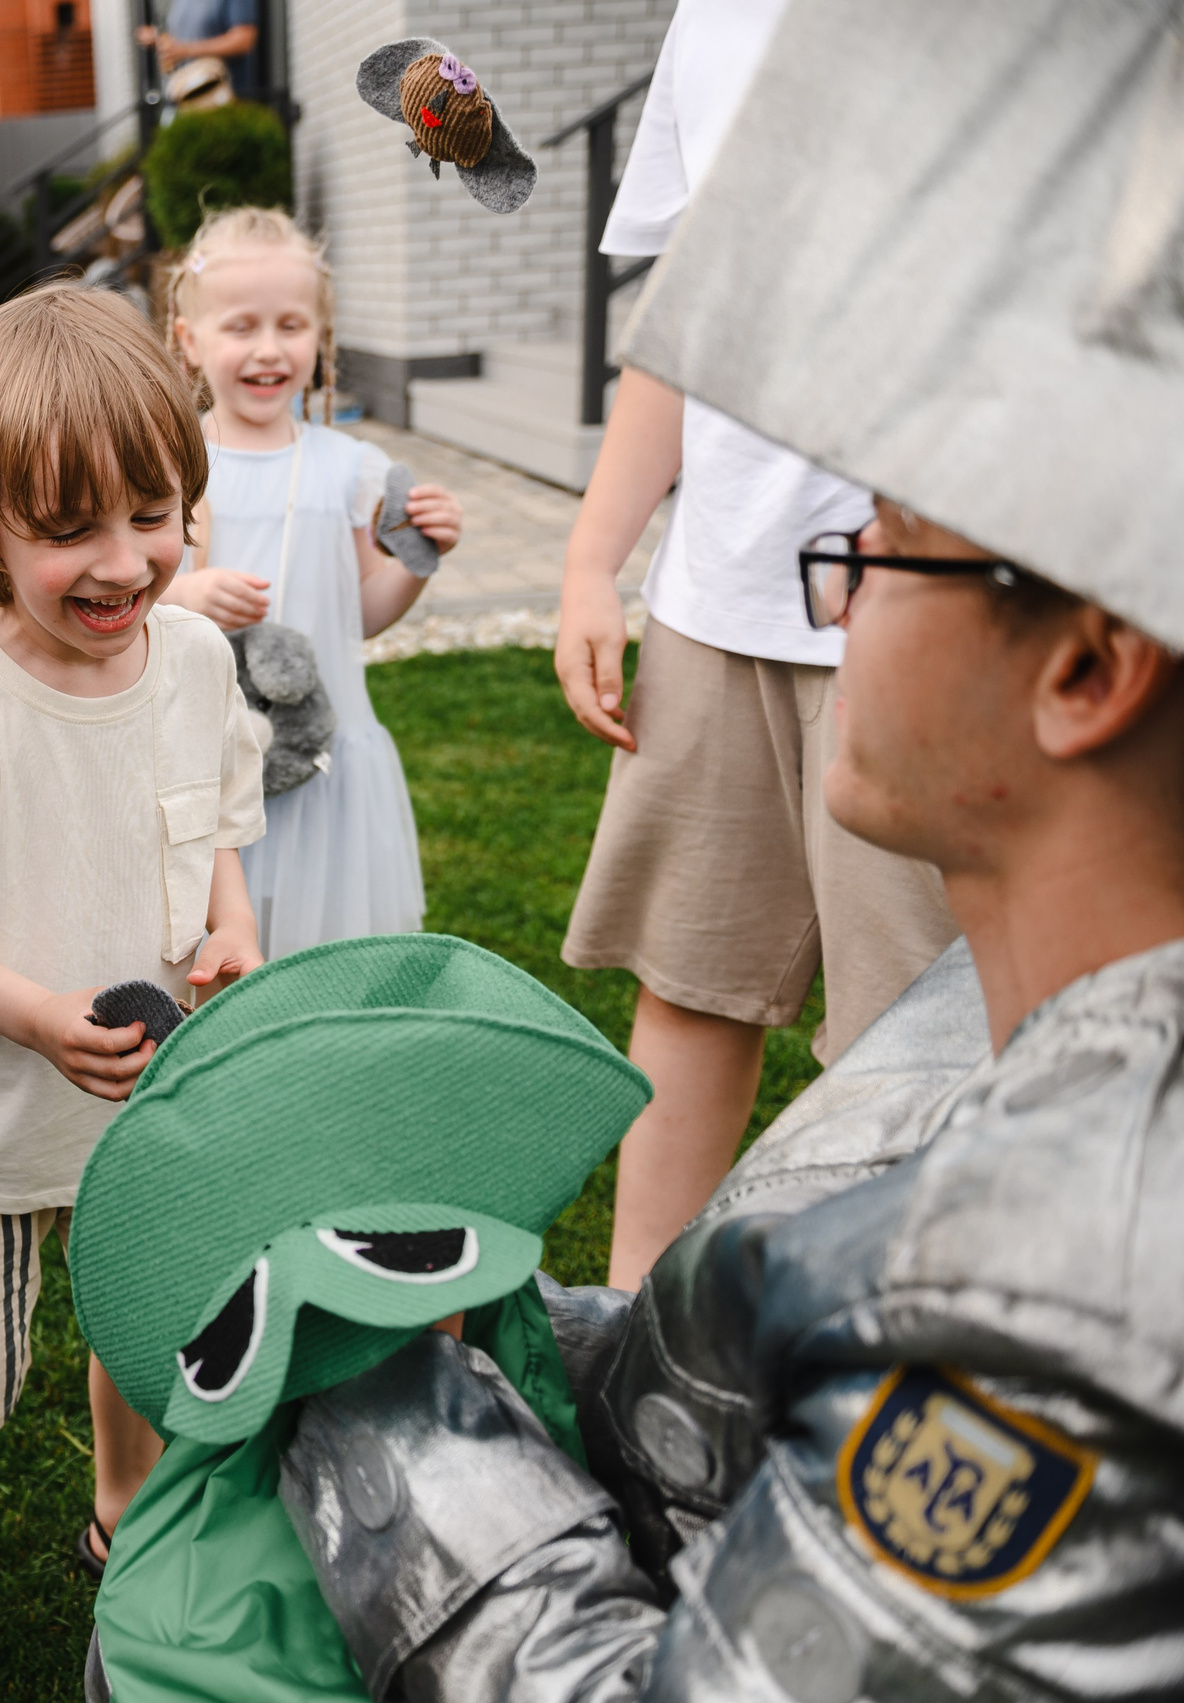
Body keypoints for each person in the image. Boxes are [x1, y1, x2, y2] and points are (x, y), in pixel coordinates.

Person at [275, 4, 1184, 1691]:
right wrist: (503, 1335)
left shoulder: (1057, 1302)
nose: (831, 574)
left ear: (1084, 662)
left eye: (884, 541)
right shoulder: (974, 1061)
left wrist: (361, 1392)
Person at [0, 283, 268, 1695]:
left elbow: (210, 822)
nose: (123, 561)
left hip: (141, 1096)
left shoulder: (199, 657)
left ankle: (123, 1522)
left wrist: (232, 932)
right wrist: (36, 1019)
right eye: (69, 527)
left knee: (139, 1317)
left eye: (152, 512)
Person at [553, 0, 957, 1292]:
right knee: (690, 981)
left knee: (922, 1034)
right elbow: (686, 316)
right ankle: (627, 1329)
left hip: (923, 604)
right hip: (714, 594)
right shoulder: (713, 17)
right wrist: (589, 559)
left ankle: (914, 1352)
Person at [159, 208, 464, 951]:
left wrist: (416, 563)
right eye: (241, 327)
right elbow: (135, 603)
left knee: (326, 956)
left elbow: (360, 613)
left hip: (326, 766)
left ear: (320, 338)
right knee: (219, 957)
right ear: (189, 342)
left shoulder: (346, 467)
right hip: (214, 762)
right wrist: (186, 597)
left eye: (291, 325)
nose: (269, 349)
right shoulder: (175, 465)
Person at [133, 0, 258, 102]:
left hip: (219, 98)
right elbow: (183, 38)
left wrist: (185, 50)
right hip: (184, 96)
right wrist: (158, 38)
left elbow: (244, 39)